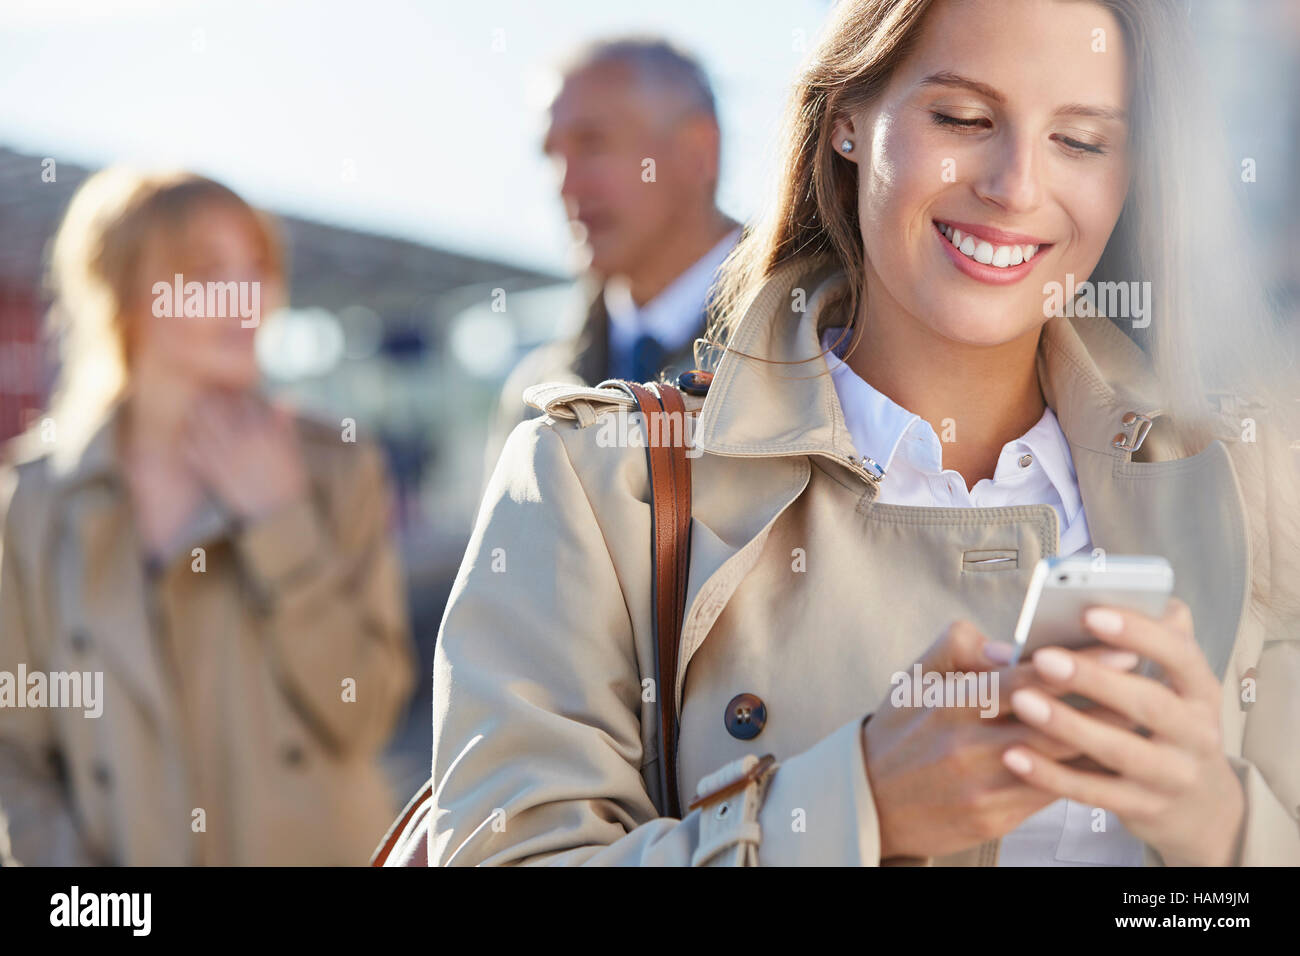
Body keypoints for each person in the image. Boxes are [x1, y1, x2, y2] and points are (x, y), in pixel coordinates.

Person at [412, 0, 1300, 866]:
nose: (1016, 187)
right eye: (962, 116)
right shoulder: (594, 484)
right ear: (846, 119)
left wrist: (1219, 825)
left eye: (1081, 141)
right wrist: (856, 805)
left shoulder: (1249, 482)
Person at [0, 169, 416, 865]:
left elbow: (365, 712)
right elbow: (16, 752)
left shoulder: (333, 465)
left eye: (257, 268)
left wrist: (280, 523)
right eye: (207, 271)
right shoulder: (34, 501)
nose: (246, 296)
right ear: (123, 290)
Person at [484, 36, 742, 474]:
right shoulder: (534, 396)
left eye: (593, 144)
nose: (565, 186)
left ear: (697, 151)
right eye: (552, 155)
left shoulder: (828, 346)